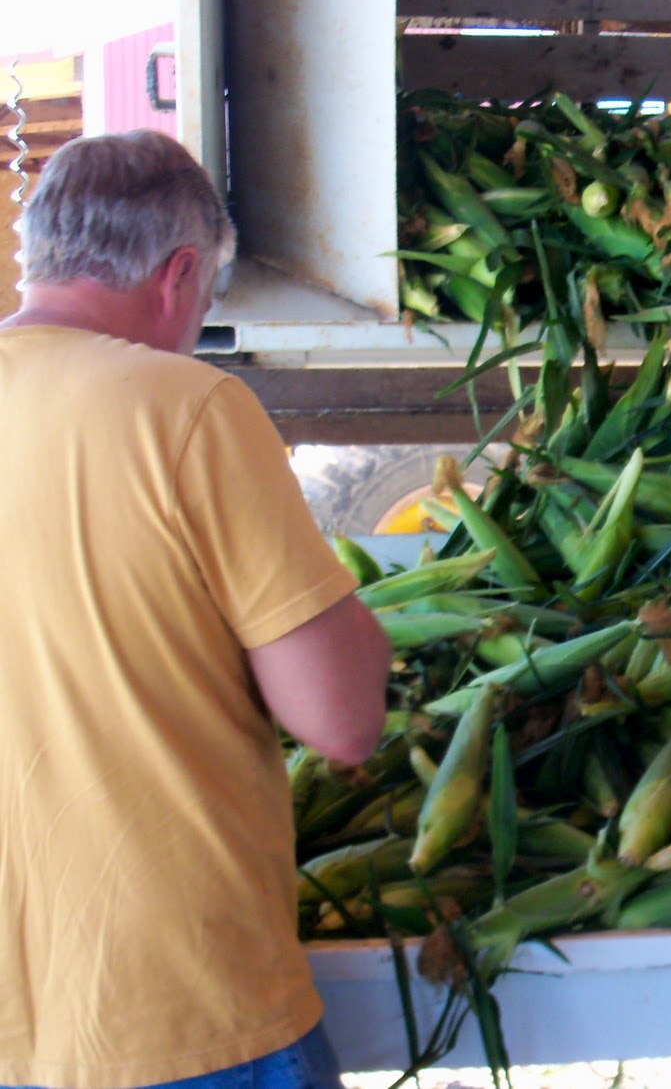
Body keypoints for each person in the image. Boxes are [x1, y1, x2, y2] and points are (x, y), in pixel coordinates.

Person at [0, 130, 393, 1089]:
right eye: (208, 300)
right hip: (179, 1008)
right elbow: (341, 724)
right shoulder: (184, 408)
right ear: (179, 275)